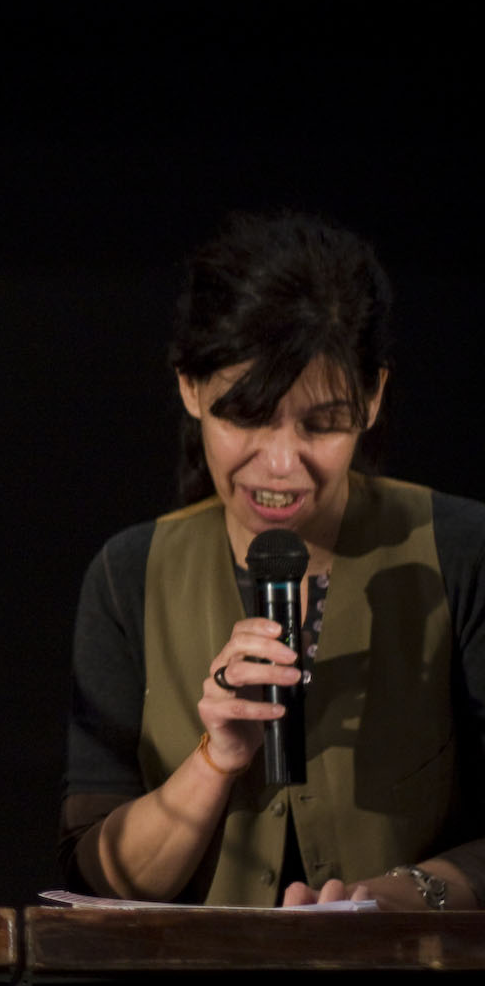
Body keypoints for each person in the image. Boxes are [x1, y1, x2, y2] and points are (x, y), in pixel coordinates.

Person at [63, 213, 483, 909]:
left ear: (373, 397)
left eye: (323, 423)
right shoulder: (128, 573)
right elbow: (94, 874)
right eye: (250, 415)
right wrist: (216, 759)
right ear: (190, 388)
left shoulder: (461, 550)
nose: (282, 464)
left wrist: (384, 900)